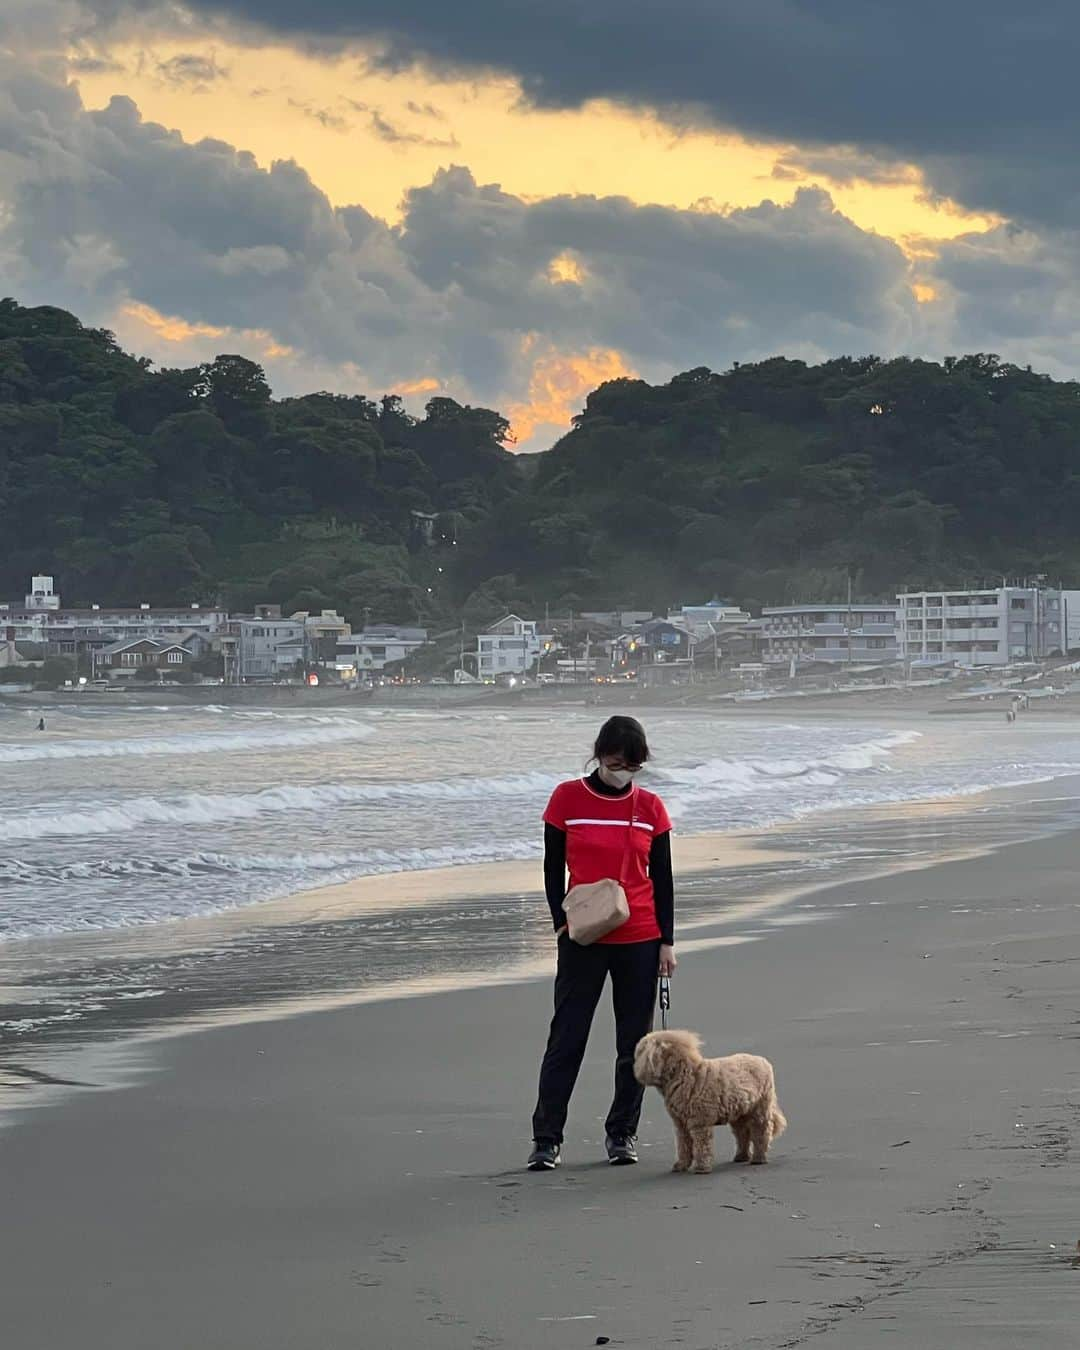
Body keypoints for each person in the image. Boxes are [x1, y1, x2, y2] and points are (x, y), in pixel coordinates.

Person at [528, 715, 676, 1171]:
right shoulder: (567, 798)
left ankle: (622, 1134)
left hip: (640, 936)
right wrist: (559, 923)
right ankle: (547, 1139)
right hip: (584, 936)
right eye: (616, 762)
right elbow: (553, 868)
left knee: (634, 1044)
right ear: (599, 754)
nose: (623, 771)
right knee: (567, 1038)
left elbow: (664, 880)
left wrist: (667, 943)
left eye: (633, 765)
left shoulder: (651, 807)